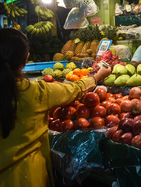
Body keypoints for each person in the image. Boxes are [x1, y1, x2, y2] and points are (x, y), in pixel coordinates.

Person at [0, 28, 112, 187]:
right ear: (26, 60)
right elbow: (73, 90)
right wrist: (97, 76)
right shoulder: (36, 92)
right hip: (27, 176)